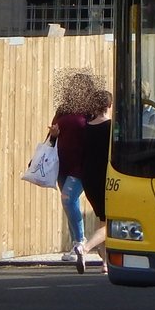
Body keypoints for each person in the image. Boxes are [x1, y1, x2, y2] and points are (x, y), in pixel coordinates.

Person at [47, 68, 104, 266]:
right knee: (69, 203)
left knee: (68, 198)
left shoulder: (90, 111)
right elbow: (51, 135)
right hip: (63, 162)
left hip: (82, 164)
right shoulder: (63, 109)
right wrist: (53, 134)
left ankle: (80, 241)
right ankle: (75, 244)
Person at [76, 89, 113, 274]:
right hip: (105, 177)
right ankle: (85, 248)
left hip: (88, 177)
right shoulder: (111, 127)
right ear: (109, 106)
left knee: (102, 219)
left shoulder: (87, 128)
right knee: (110, 223)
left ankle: (105, 264)